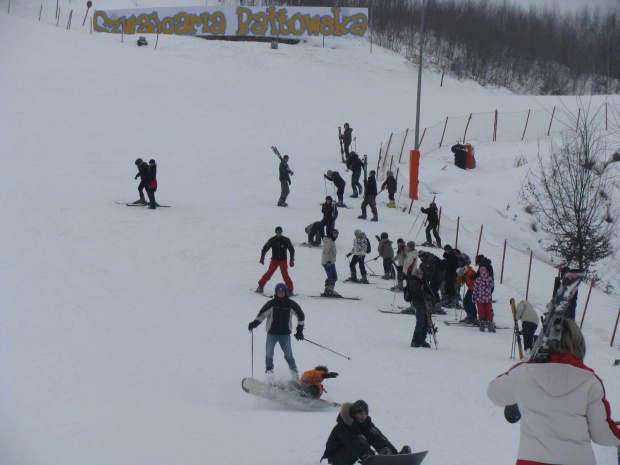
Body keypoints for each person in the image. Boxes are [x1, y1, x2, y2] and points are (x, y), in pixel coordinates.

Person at [487, 319, 620, 465]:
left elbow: (494, 393)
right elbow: (602, 434)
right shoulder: (590, 382)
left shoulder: (523, 373)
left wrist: (529, 364)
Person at [321, 400, 411, 465]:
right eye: (360, 413)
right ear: (354, 413)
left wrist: (394, 455)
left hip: (355, 452)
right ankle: (368, 457)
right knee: (359, 439)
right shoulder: (344, 425)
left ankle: (393, 454)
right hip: (336, 458)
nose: (363, 416)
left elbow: (378, 437)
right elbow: (352, 442)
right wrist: (367, 455)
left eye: (365, 413)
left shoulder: (365, 423)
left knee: (373, 432)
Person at [248, 283, 305, 380]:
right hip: (272, 334)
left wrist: (299, 331)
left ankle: (294, 374)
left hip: (285, 335)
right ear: (276, 293)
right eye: (279, 292)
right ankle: (269, 373)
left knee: (288, 355)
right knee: (269, 355)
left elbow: (301, 316)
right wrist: (254, 324)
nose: (281, 294)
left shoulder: (291, 304)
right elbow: (261, 315)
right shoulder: (271, 304)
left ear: (285, 293)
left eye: (283, 292)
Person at [256, 226, 295, 295]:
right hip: (274, 261)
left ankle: (290, 290)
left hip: (283, 261)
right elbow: (265, 248)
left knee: (285, 275)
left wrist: (291, 259)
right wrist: (262, 258)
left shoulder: (286, 240)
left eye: (279, 232)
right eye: (277, 232)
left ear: (281, 232)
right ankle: (260, 286)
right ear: (275, 232)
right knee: (269, 273)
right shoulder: (272, 240)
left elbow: (291, 250)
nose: (278, 234)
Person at [404, 268, 432, 347]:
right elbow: (419, 291)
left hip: (423, 303)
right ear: (417, 274)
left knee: (426, 321)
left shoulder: (420, 281)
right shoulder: (414, 282)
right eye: (420, 274)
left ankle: (422, 339)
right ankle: (415, 340)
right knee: (420, 321)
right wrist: (427, 296)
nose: (422, 275)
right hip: (418, 303)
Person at [473, 266, 495, 332]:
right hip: (488, 298)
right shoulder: (490, 278)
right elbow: (492, 286)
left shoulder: (478, 279)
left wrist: (474, 298)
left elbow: (475, 289)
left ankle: (482, 323)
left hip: (480, 298)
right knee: (488, 310)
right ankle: (490, 323)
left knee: (481, 310)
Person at [321, 229, 340, 297]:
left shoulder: (331, 241)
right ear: (331, 233)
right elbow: (325, 252)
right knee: (333, 276)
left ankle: (327, 289)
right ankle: (330, 290)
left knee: (331, 276)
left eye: (337, 234)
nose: (335, 235)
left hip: (330, 261)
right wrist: (328, 261)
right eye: (334, 234)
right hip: (328, 262)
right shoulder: (329, 241)